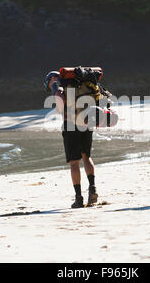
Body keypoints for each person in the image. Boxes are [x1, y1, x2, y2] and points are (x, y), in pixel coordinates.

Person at [44, 70, 103, 209]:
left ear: (52, 79)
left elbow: (60, 106)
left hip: (70, 125)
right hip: (86, 121)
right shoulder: (78, 84)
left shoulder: (57, 85)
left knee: (74, 163)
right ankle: (92, 188)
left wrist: (60, 108)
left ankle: (78, 198)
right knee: (86, 157)